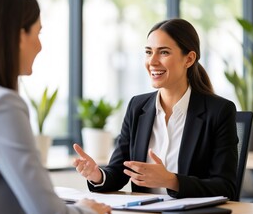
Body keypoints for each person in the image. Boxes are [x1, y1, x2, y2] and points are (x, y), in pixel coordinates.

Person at [0, 0, 111, 214]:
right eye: (37, 33)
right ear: (18, 36)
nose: (40, 46)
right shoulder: (0, 105)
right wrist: (88, 210)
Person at [73, 18, 238, 201]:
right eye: (148, 52)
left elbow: (226, 187)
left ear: (189, 59)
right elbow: (120, 171)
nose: (152, 61)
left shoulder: (219, 111)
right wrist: (97, 175)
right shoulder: (137, 107)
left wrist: (172, 181)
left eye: (164, 52)